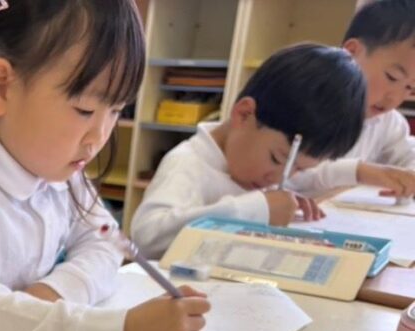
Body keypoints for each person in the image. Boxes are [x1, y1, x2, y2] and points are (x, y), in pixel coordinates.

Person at [0, 0, 210, 331]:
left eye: (116, 111)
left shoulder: (56, 165)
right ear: (0, 87)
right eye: (85, 110)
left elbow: (106, 243)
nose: (99, 137)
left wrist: (53, 292)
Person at [131, 44, 367, 258]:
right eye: (277, 159)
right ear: (244, 114)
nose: (277, 179)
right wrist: (256, 210)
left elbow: (313, 177)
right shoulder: (187, 165)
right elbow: (147, 238)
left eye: (298, 169)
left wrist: (290, 202)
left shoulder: (254, 165)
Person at [289, 0, 415, 199]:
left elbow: (408, 156)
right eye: (392, 77)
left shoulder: (389, 122)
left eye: (410, 89)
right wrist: (357, 171)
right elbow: (286, 172)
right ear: (351, 53)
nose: (394, 99)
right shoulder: (307, 102)